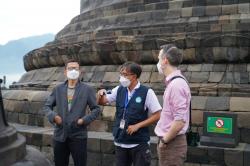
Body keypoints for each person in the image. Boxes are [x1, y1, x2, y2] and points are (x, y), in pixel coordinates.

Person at [97, 61, 162, 166]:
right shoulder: (119, 89)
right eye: (121, 74)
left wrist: (138, 125)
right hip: (120, 141)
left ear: (134, 76)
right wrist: (100, 93)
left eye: (125, 74)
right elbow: (102, 101)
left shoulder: (147, 92)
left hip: (139, 142)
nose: (122, 77)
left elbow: (158, 114)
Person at [43, 59, 101, 166]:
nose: (73, 70)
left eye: (75, 68)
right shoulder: (58, 89)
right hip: (60, 134)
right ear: (65, 71)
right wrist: (54, 117)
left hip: (78, 135)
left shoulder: (86, 89)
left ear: (80, 71)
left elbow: (96, 109)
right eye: (70, 68)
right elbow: (47, 106)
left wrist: (83, 120)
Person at [154, 44, 191, 166]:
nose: (158, 62)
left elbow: (179, 121)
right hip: (170, 141)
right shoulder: (174, 83)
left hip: (171, 142)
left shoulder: (176, 85)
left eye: (159, 58)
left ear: (165, 60)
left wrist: (164, 141)